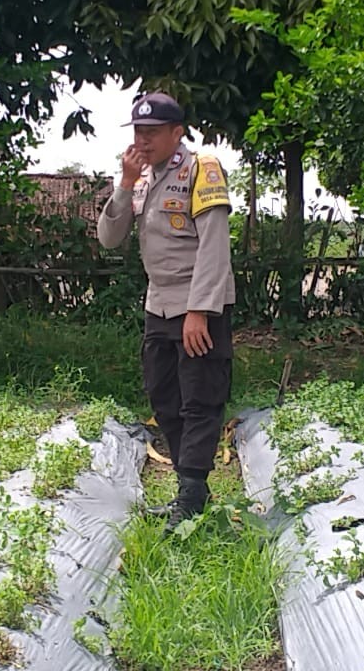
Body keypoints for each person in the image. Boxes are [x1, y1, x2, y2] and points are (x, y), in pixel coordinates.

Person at [97, 92, 236, 528]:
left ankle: (192, 495)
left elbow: (214, 245)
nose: (143, 140)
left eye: (153, 132)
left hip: (197, 305)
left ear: (177, 133)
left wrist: (200, 311)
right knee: (164, 397)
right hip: (158, 305)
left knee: (200, 398)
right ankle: (189, 491)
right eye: (139, 131)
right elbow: (109, 239)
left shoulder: (201, 169)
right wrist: (124, 184)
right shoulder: (139, 178)